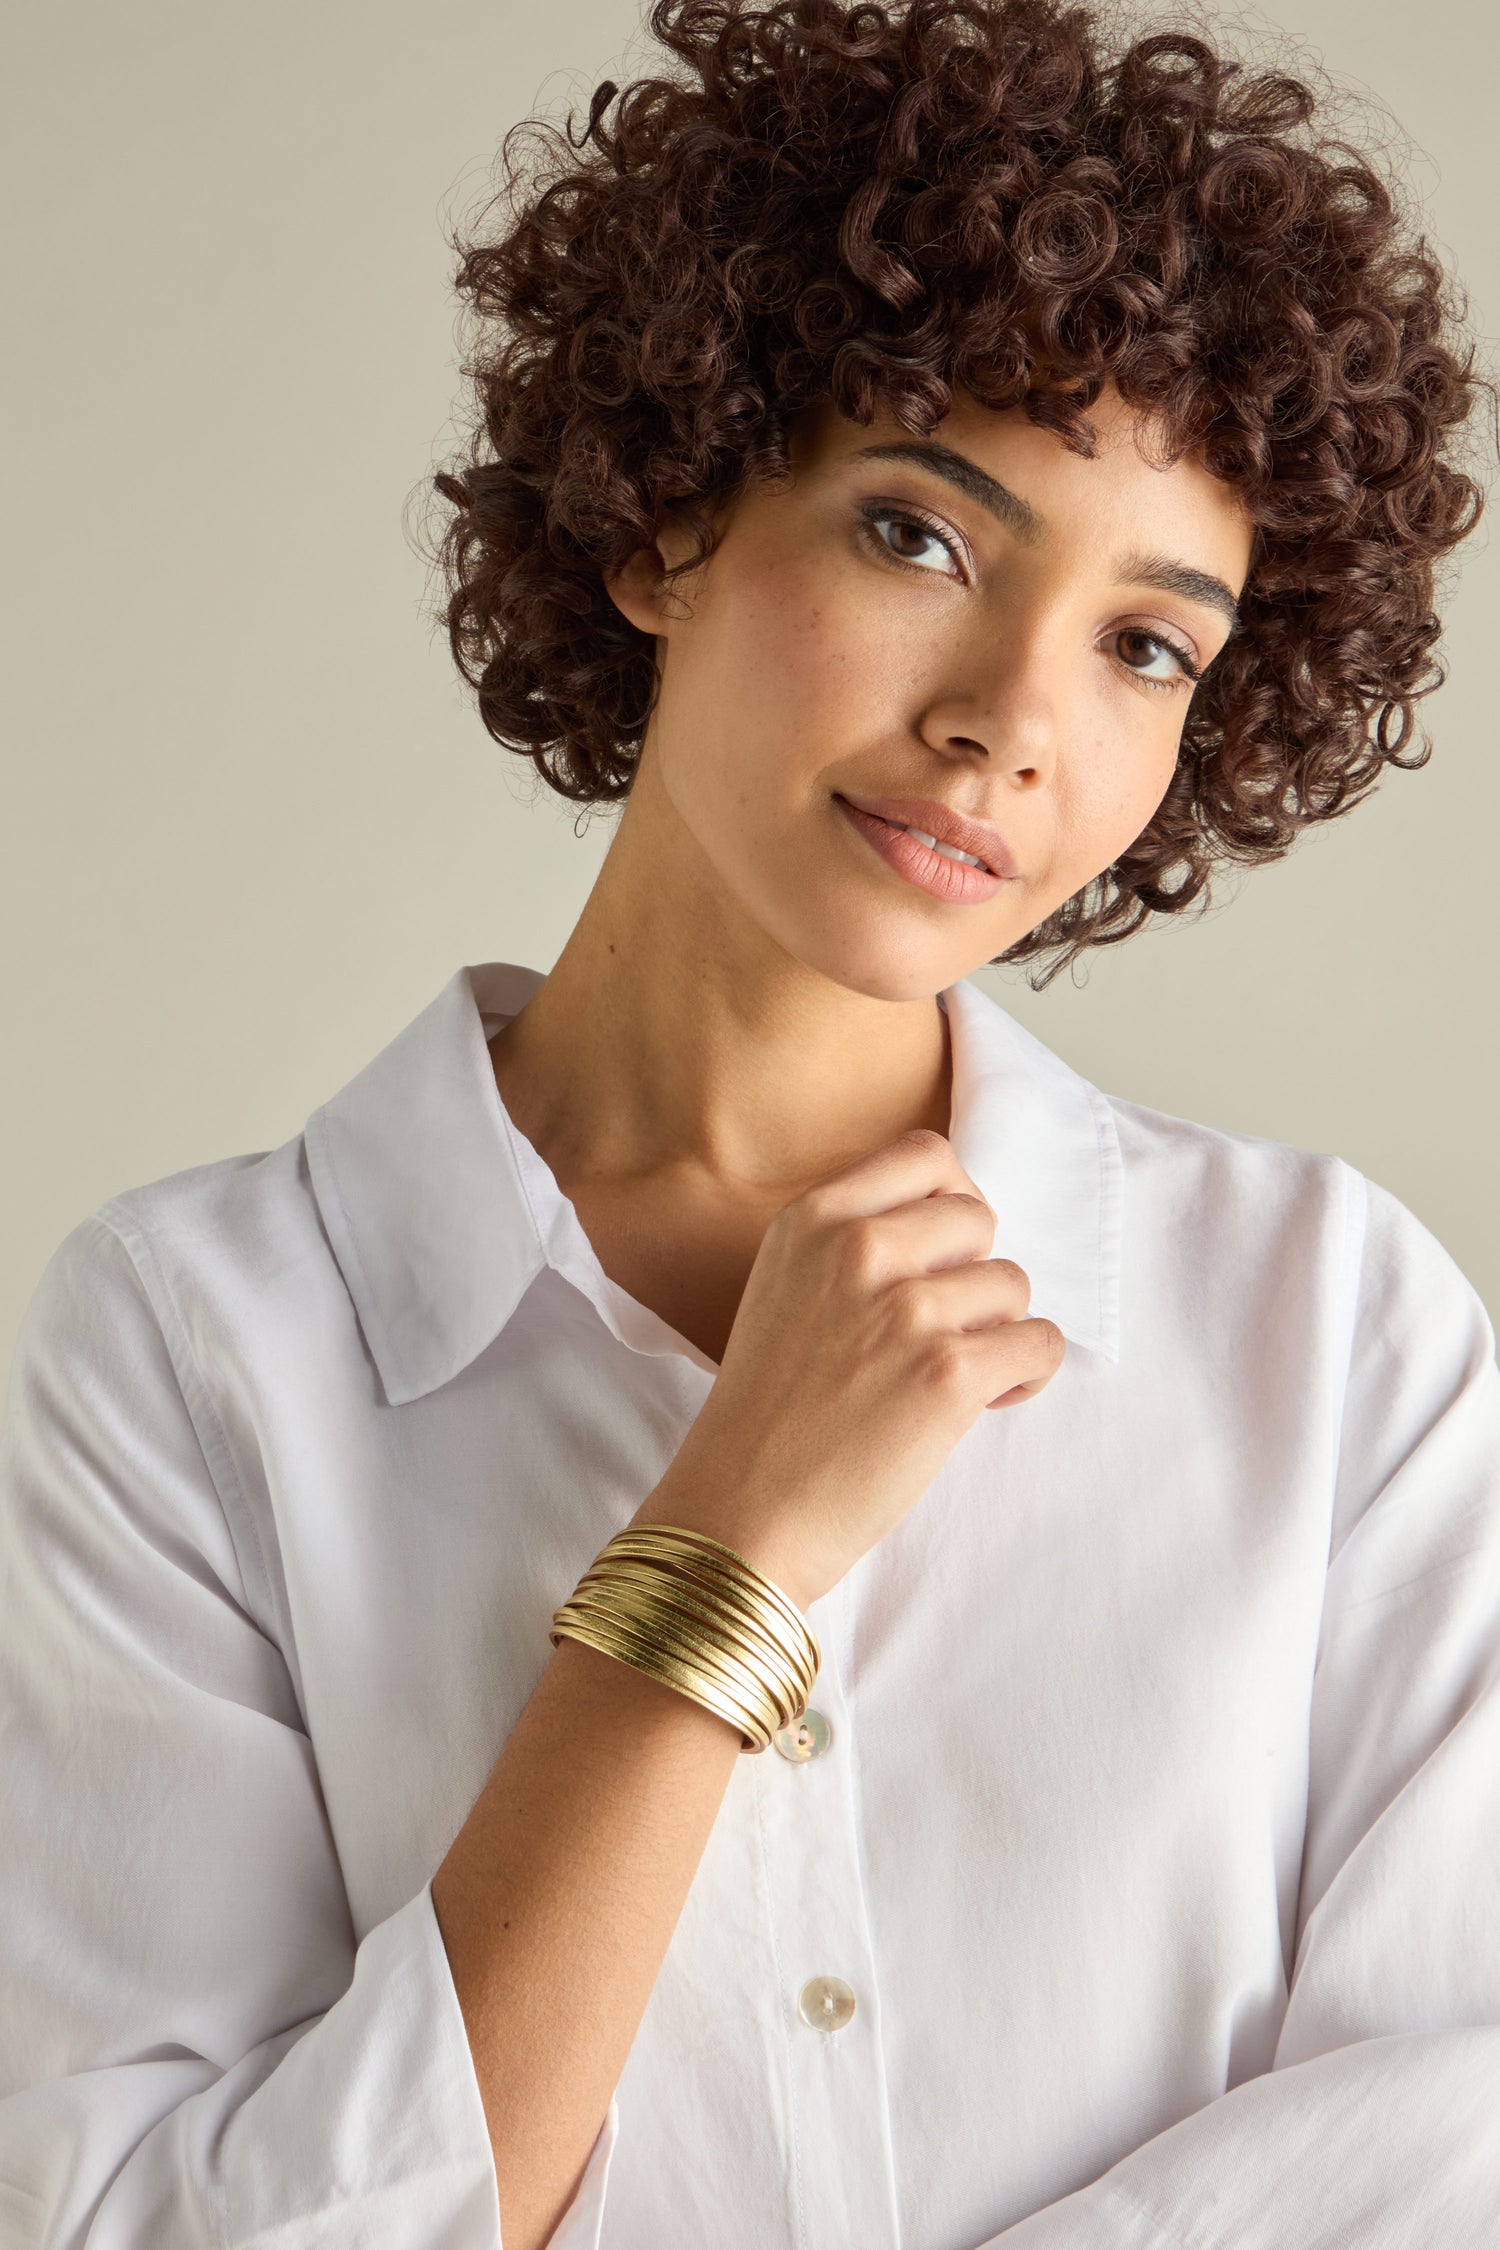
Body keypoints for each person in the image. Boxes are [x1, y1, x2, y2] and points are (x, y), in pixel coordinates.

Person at [2, 0, 1496, 2245]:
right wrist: (726, 1552)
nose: (1011, 723)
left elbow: (1448, 2144)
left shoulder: (1329, 1329)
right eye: (919, 533)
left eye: (1149, 646)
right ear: (662, 513)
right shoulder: (195, 1348)